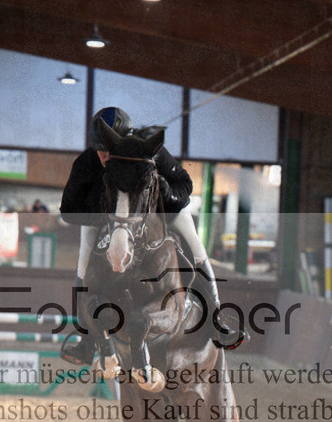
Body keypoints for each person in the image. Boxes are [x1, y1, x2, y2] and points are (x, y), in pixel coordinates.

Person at [58, 106, 243, 365]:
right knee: (82, 264)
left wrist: (167, 193)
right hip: (106, 221)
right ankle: (86, 338)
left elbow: (186, 185)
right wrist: (107, 218)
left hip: (164, 212)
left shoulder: (149, 152)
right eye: (101, 150)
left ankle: (217, 318)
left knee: (196, 249)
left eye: (110, 151)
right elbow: (68, 211)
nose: (104, 156)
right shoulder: (85, 163)